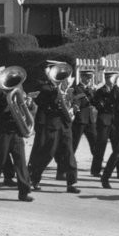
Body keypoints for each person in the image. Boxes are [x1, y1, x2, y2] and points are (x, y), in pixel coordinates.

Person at [0, 65, 34, 202]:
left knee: (21, 162)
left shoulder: (20, 91)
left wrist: (29, 103)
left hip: (17, 131)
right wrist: (6, 106)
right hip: (4, 132)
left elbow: (28, 108)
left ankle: (24, 192)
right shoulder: (0, 93)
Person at [28, 61, 80, 194]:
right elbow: (47, 98)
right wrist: (58, 89)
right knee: (48, 153)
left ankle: (72, 182)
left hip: (65, 124)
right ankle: (34, 177)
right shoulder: (44, 86)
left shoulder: (65, 86)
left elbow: (74, 98)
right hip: (52, 124)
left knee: (69, 153)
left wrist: (73, 105)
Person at [89, 70, 119, 178]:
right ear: (107, 79)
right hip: (104, 120)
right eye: (111, 78)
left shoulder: (117, 89)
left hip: (115, 120)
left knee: (118, 145)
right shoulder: (100, 91)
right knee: (100, 146)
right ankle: (95, 170)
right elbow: (99, 105)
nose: (113, 81)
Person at [70, 69, 98, 164]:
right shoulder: (76, 88)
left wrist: (94, 93)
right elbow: (80, 102)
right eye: (87, 77)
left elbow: (94, 103)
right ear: (82, 77)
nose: (89, 79)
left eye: (90, 77)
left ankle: (96, 165)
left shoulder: (91, 89)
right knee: (74, 143)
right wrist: (89, 94)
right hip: (80, 119)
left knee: (95, 143)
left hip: (90, 119)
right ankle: (67, 163)